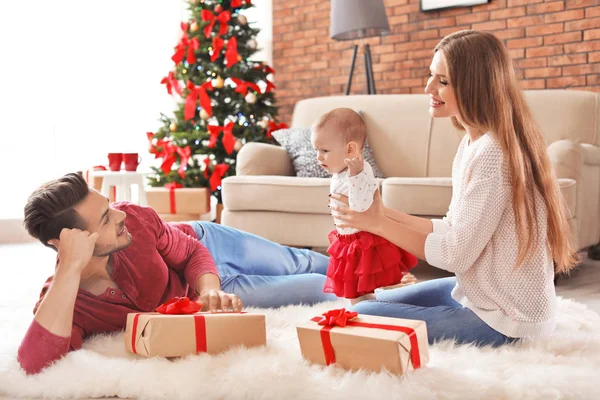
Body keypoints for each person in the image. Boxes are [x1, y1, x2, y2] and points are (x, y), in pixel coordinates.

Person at [330, 30, 579, 347]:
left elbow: (455, 254)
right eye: (431, 76)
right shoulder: (473, 142)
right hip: (477, 295)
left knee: (363, 314)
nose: (428, 88)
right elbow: (452, 226)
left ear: (475, 86)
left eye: (442, 81)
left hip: (505, 319)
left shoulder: (493, 153)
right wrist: (382, 213)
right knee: (370, 301)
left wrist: (377, 223)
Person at [18, 173, 337, 374]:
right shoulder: (65, 300)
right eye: (104, 219)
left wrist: (210, 288)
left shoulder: (135, 218)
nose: (121, 215)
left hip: (207, 248)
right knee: (326, 288)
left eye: (109, 204)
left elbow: (191, 252)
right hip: (208, 300)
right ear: (67, 242)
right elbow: (33, 364)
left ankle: (371, 258)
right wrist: (70, 269)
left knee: (304, 263)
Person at [311, 108, 417, 305]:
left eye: (324, 151)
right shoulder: (340, 171)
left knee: (361, 288)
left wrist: (355, 175)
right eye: (316, 150)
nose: (318, 157)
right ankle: (371, 304)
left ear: (350, 150)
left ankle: (378, 303)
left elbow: (361, 206)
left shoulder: (359, 172)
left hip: (362, 241)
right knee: (354, 289)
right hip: (347, 238)